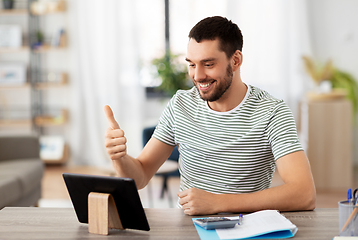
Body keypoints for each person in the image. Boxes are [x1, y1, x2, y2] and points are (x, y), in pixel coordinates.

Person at [104, 16, 316, 216]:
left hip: (247, 229)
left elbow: (304, 194)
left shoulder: (272, 112)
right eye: (192, 64)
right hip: (188, 228)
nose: (197, 76)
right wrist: (120, 158)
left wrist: (218, 202)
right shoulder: (180, 105)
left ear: (235, 60)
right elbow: (140, 175)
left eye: (208, 64)